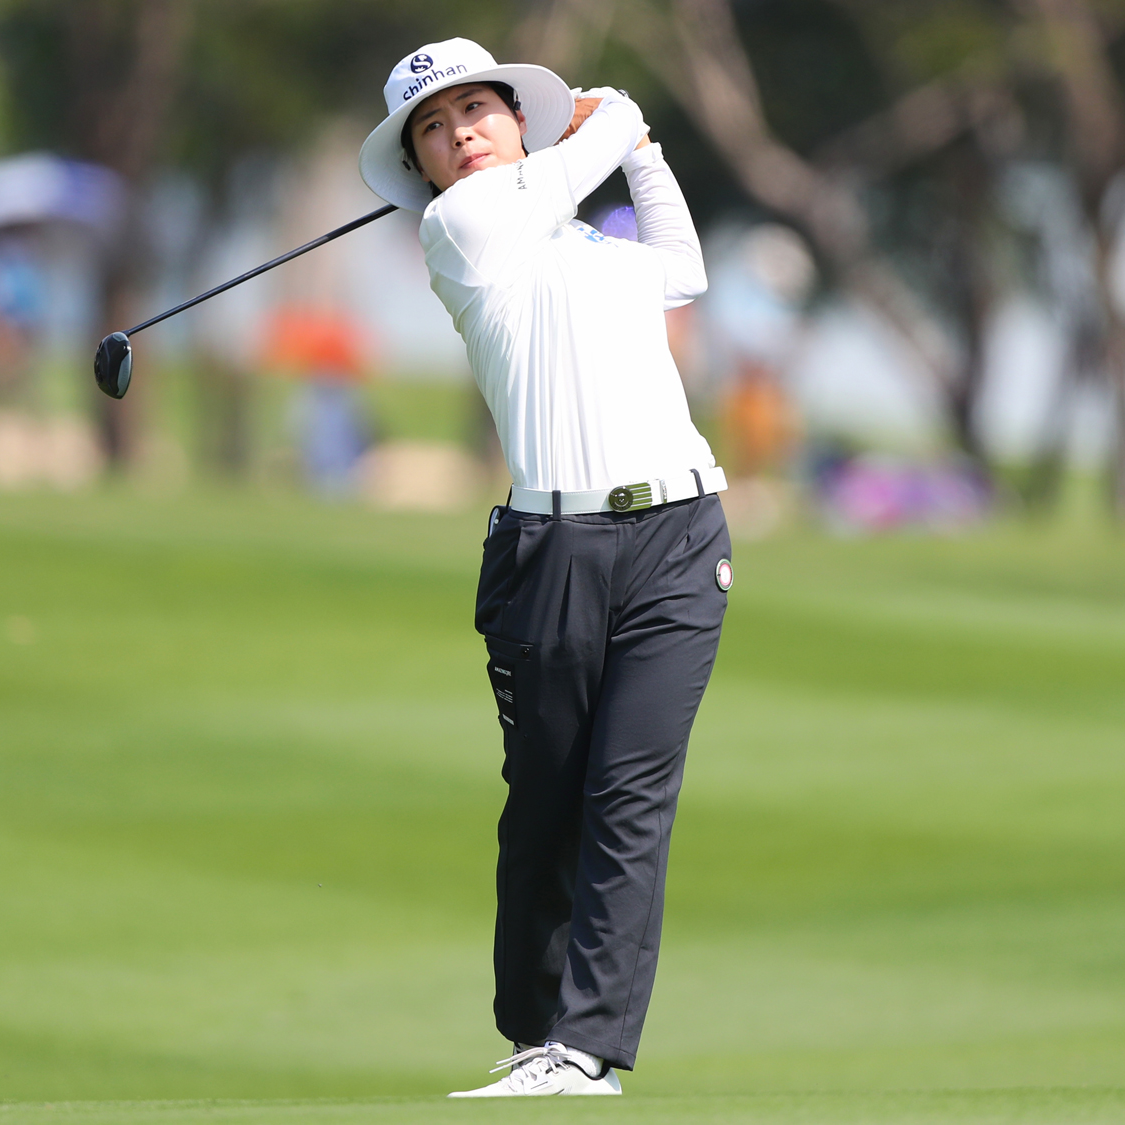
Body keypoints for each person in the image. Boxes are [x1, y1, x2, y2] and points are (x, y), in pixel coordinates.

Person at [359, 39, 731, 1097]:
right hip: (549, 551)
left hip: (678, 538)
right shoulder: (458, 229)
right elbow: (588, 149)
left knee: (628, 797)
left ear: (518, 121)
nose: (458, 134)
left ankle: (588, 1047)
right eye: (432, 129)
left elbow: (683, 268)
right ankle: (534, 1032)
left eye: (476, 111)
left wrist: (645, 150)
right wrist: (613, 112)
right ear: (422, 168)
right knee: (545, 806)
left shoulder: (593, 248)